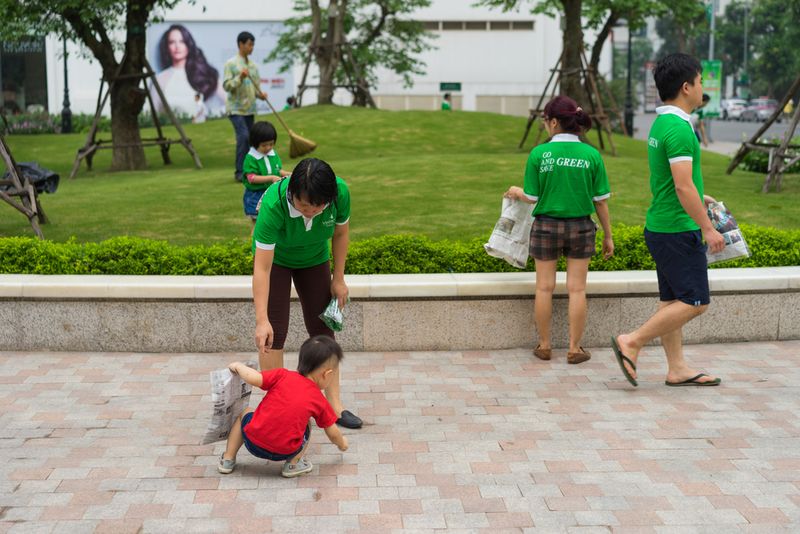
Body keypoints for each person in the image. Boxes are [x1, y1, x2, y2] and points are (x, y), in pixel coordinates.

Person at [611, 53, 725, 388]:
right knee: (695, 302)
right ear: (687, 86)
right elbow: (681, 183)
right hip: (677, 229)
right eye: (701, 80)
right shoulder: (678, 128)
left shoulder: (661, 123)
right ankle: (631, 341)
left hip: (662, 226)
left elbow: (674, 180)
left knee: (671, 301)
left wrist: (699, 196)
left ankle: (677, 368)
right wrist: (707, 226)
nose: (703, 86)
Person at [252, 157, 362, 429]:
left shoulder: (339, 193)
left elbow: (340, 234)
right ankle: (276, 407)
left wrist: (338, 279)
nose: (311, 211)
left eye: (318, 206)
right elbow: (262, 268)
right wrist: (261, 319)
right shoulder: (273, 205)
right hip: (277, 261)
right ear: (292, 194)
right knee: (273, 331)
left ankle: (334, 405)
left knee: (323, 330)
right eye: (303, 205)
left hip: (314, 259)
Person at [505, 96, 614, 364]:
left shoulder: (539, 154)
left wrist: (516, 191)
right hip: (581, 227)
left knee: (544, 288)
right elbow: (600, 201)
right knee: (577, 289)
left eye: (545, 121)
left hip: (545, 227)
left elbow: (531, 196)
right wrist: (609, 236)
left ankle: (544, 345)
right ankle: (575, 349)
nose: (544, 125)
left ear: (553, 122)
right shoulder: (591, 155)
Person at [218, 335, 349, 477]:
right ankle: (293, 464)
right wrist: (342, 444)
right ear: (327, 374)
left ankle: (228, 458)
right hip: (286, 451)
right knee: (307, 424)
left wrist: (238, 366)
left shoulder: (282, 375)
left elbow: (254, 378)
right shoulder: (319, 400)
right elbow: (333, 433)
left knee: (246, 412)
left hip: (253, 443)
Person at [151, 24, 225, 117]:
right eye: (172, 42)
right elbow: (152, 115)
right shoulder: (160, 79)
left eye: (182, 41)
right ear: (167, 46)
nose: (177, 46)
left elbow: (231, 103)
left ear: (188, 44)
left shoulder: (204, 74)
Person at [223, 31, 267, 183]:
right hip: (235, 108)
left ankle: (250, 171)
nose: (251, 47)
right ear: (241, 44)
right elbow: (227, 86)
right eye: (249, 44)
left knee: (251, 139)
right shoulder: (231, 64)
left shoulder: (253, 66)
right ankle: (240, 171)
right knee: (243, 136)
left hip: (250, 108)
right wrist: (239, 78)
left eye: (253, 44)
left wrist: (261, 95)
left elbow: (255, 89)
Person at [242, 121, 291, 229]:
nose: (268, 147)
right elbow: (251, 178)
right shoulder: (251, 158)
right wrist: (271, 178)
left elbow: (277, 170)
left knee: (272, 220)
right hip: (256, 194)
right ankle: (254, 244)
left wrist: (289, 174)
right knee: (258, 223)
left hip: (271, 192)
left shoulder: (272, 155)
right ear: (255, 143)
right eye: (264, 145)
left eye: (271, 144)